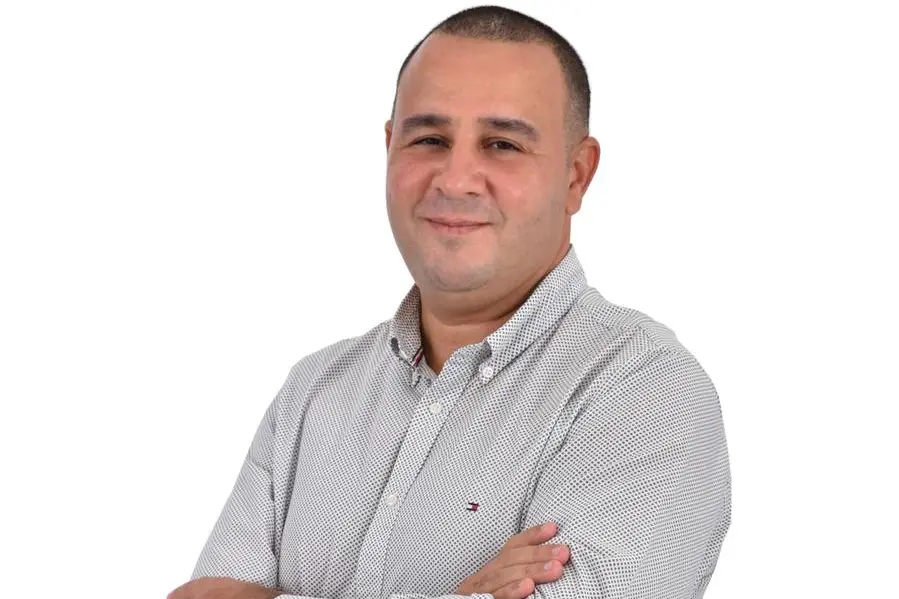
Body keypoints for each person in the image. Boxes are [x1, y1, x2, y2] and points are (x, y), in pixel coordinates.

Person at [168, 5, 731, 599]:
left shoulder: (647, 393)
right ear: (390, 147)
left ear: (576, 175)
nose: (455, 179)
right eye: (430, 139)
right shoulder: (312, 394)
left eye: (502, 144)